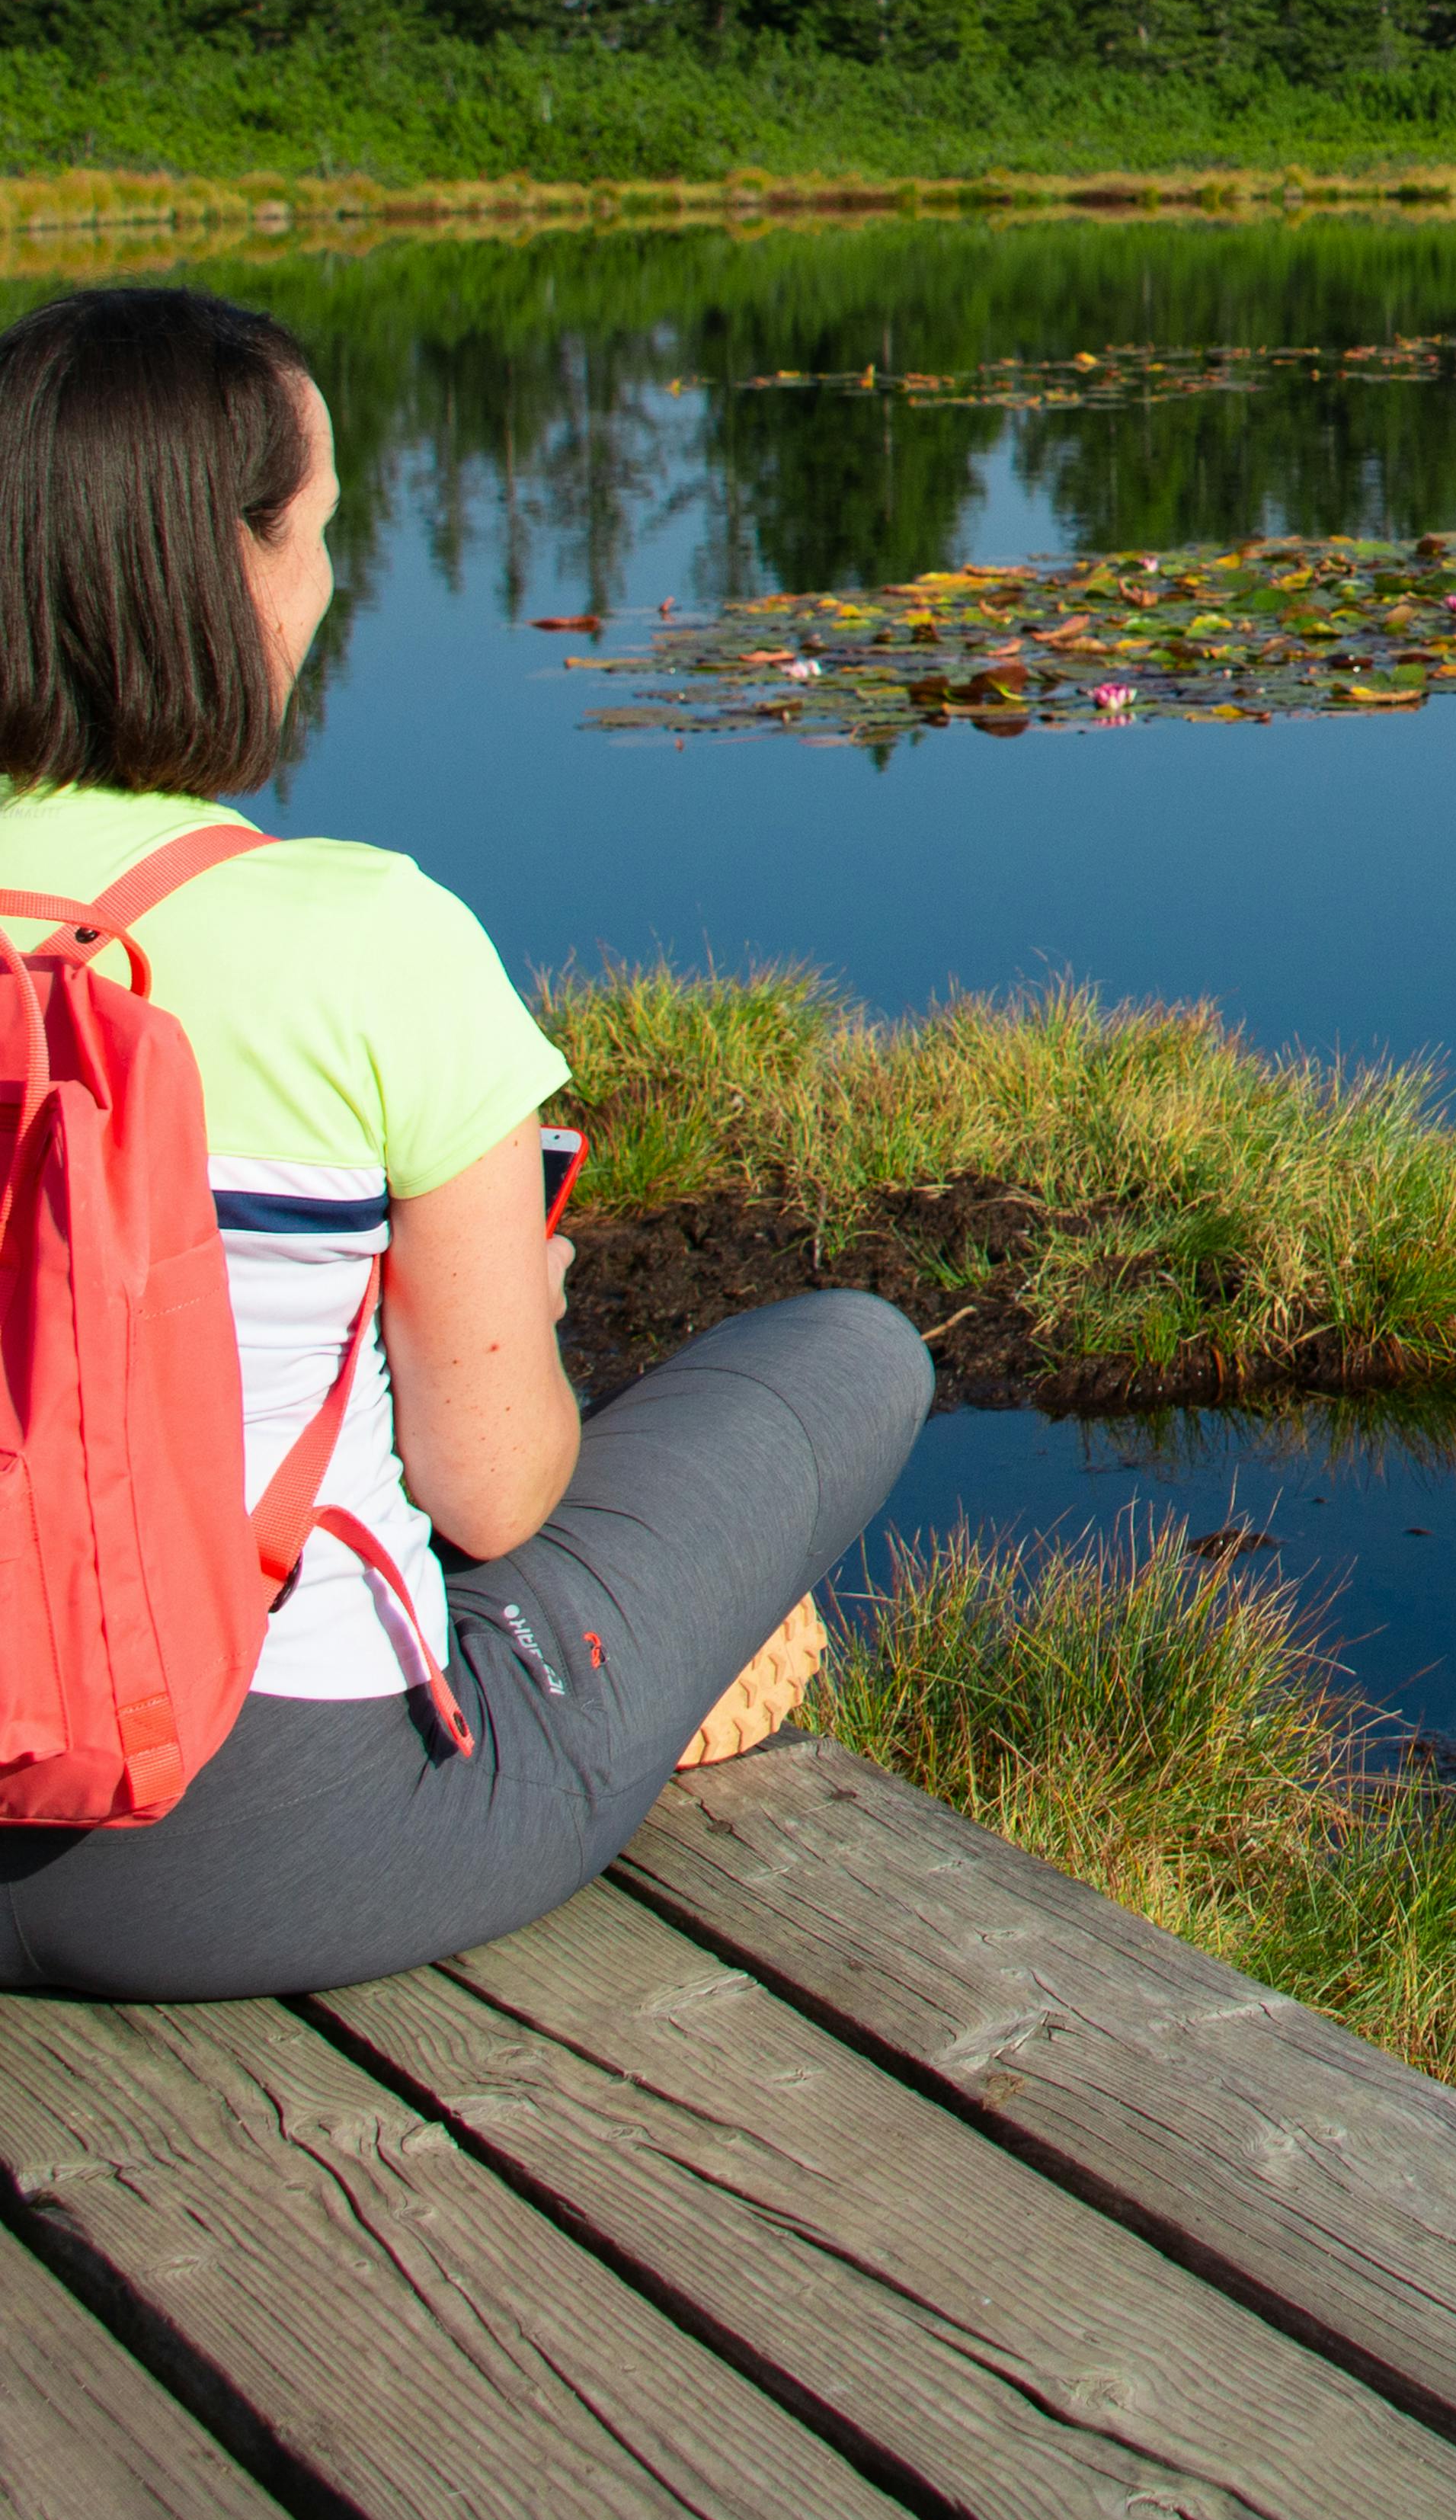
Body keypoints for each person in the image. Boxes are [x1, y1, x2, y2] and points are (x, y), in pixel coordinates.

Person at [0, 283, 930, 2001]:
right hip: (268, 1843)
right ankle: (674, 1684)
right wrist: (510, 1305)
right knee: (850, 1350)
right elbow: (493, 1488)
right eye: (318, 530)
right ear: (222, 565)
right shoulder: (367, 933)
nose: (332, 580)